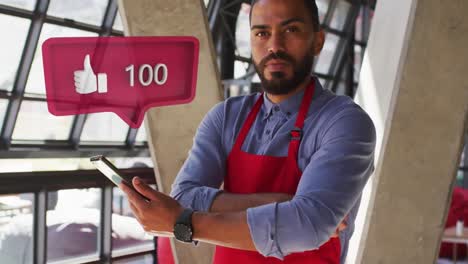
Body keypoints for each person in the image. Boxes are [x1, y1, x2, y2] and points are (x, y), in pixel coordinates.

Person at [119, 0, 376, 263]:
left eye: (291, 30)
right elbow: (184, 196)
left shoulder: (345, 122)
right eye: (262, 33)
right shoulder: (226, 117)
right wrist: (283, 202)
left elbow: (308, 225)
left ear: (317, 41)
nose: (274, 46)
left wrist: (185, 223)